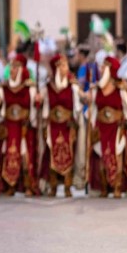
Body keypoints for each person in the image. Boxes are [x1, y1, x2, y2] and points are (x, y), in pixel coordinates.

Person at [88, 57, 127, 198]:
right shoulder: (96, 89)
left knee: (117, 155)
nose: (101, 70)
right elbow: (93, 110)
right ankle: (104, 187)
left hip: (116, 128)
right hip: (101, 127)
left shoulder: (120, 89)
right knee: (101, 156)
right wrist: (92, 126)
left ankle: (117, 187)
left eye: (104, 67)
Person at [42, 54, 84, 197]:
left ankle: (67, 186)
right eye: (63, 66)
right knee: (52, 153)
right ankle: (53, 185)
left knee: (68, 154)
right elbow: (44, 105)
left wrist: (86, 97)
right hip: (52, 125)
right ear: (57, 68)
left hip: (67, 125)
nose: (66, 69)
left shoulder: (72, 86)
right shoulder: (48, 87)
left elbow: (78, 105)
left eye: (66, 65)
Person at [0, 53, 38, 197]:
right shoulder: (4, 88)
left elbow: (34, 109)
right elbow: (0, 107)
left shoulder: (30, 88)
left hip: (24, 127)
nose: (12, 70)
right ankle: (10, 185)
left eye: (15, 67)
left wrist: (37, 102)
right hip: (9, 126)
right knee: (9, 154)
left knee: (25, 155)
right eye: (11, 67)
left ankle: (28, 185)